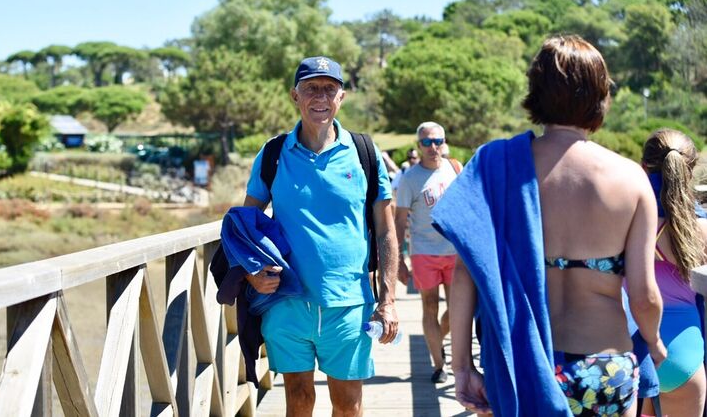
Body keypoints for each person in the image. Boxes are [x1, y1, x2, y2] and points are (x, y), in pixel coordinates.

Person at [433, 35, 666, 416]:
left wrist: (461, 367)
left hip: (521, 366)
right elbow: (643, 295)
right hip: (605, 366)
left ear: (536, 91)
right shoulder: (631, 179)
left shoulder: (496, 165)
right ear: (600, 95)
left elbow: (465, 273)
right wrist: (654, 342)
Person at [243, 56, 399, 417]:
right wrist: (252, 272)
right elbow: (246, 223)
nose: (320, 97)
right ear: (294, 96)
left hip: (348, 302)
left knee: (348, 405)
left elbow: (387, 231)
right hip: (287, 301)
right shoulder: (273, 154)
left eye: (329, 89)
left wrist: (388, 299)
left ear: (341, 97)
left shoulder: (364, 153)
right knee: (298, 399)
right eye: (311, 88)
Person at [639, 129, 707, 417]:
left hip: (635, 349)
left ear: (644, 167)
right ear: (688, 172)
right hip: (685, 356)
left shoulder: (626, 222)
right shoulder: (701, 228)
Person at [395, 122, 462, 383]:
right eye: (426, 143)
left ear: (444, 142)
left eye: (437, 141)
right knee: (430, 305)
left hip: (454, 251)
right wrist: (399, 259)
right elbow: (399, 220)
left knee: (457, 309)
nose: (433, 147)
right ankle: (439, 365)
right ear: (418, 146)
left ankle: (439, 338)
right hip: (423, 251)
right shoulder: (410, 179)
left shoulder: (455, 169)